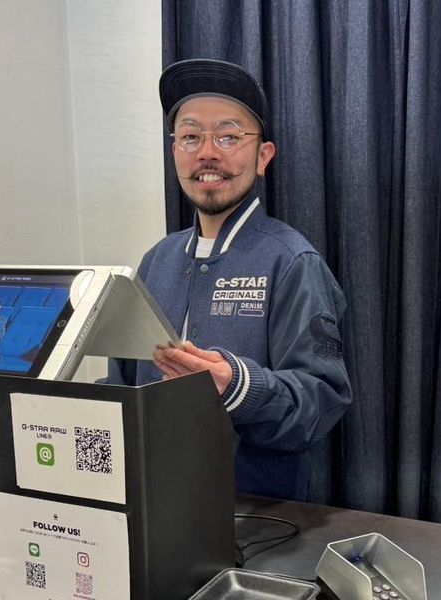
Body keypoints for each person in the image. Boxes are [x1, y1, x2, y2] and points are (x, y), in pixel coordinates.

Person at [108, 59, 352, 501]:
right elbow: (122, 386)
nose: (207, 153)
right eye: (190, 137)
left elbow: (319, 403)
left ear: (263, 157)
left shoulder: (292, 262)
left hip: (257, 515)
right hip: (154, 501)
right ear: (175, 152)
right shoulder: (155, 261)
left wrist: (237, 385)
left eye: (228, 136)